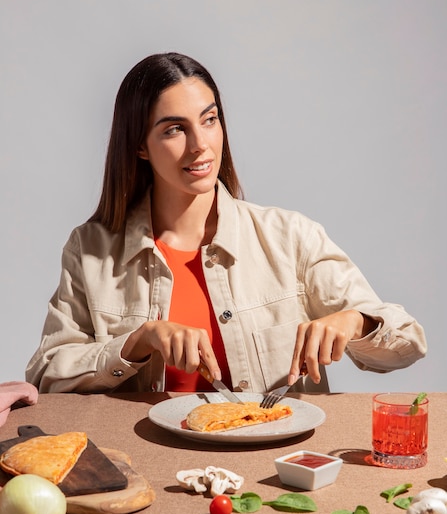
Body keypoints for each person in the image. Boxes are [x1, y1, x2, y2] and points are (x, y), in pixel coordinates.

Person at [26, 52, 427, 394]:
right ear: (139, 146)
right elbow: (46, 375)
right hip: (147, 465)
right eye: (174, 129)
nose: (200, 144)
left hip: (272, 469)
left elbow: (408, 342)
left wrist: (358, 321)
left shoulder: (290, 238)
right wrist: (136, 342)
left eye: (209, 120)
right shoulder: (91, 249)